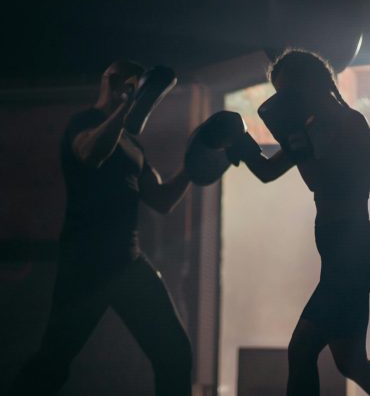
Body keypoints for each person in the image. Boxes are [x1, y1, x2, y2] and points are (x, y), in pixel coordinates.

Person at [9, 58, 192, 396]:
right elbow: (92, 153)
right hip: (85, 265)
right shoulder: (83, 124)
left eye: (137, 84)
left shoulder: (134, 146)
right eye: (124, 81)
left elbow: (162, 199)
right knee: (53, 362)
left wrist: (197, 164)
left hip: (128, 262)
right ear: (108, 80)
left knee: (175, 354)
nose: (130, 88)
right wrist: (128, 108)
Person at [228, 49, 370, 395]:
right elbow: (267, 171)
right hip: (337, 252)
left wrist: (301, 144)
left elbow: (326, 181)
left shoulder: (351, 124)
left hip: (352, 252)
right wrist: (241, 144)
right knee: (349, 362)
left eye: (287, 92)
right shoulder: (308, 128)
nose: (283, 101)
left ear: (312, 85)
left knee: (302, 349)